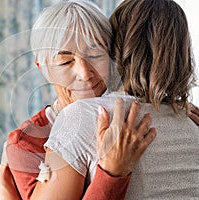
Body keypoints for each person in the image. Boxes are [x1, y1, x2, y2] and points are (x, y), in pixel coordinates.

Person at [0, 0, 157, 199]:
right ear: (43, 69)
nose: (84, 73)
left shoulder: (132, 114)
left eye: (95, 54)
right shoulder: (27, 144)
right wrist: (112, 173)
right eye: (66, 61)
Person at [42, 0, 199, 199]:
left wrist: (6, 192)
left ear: (114, 47)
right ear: (182, 54)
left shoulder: (84, 116)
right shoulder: (193, 124)